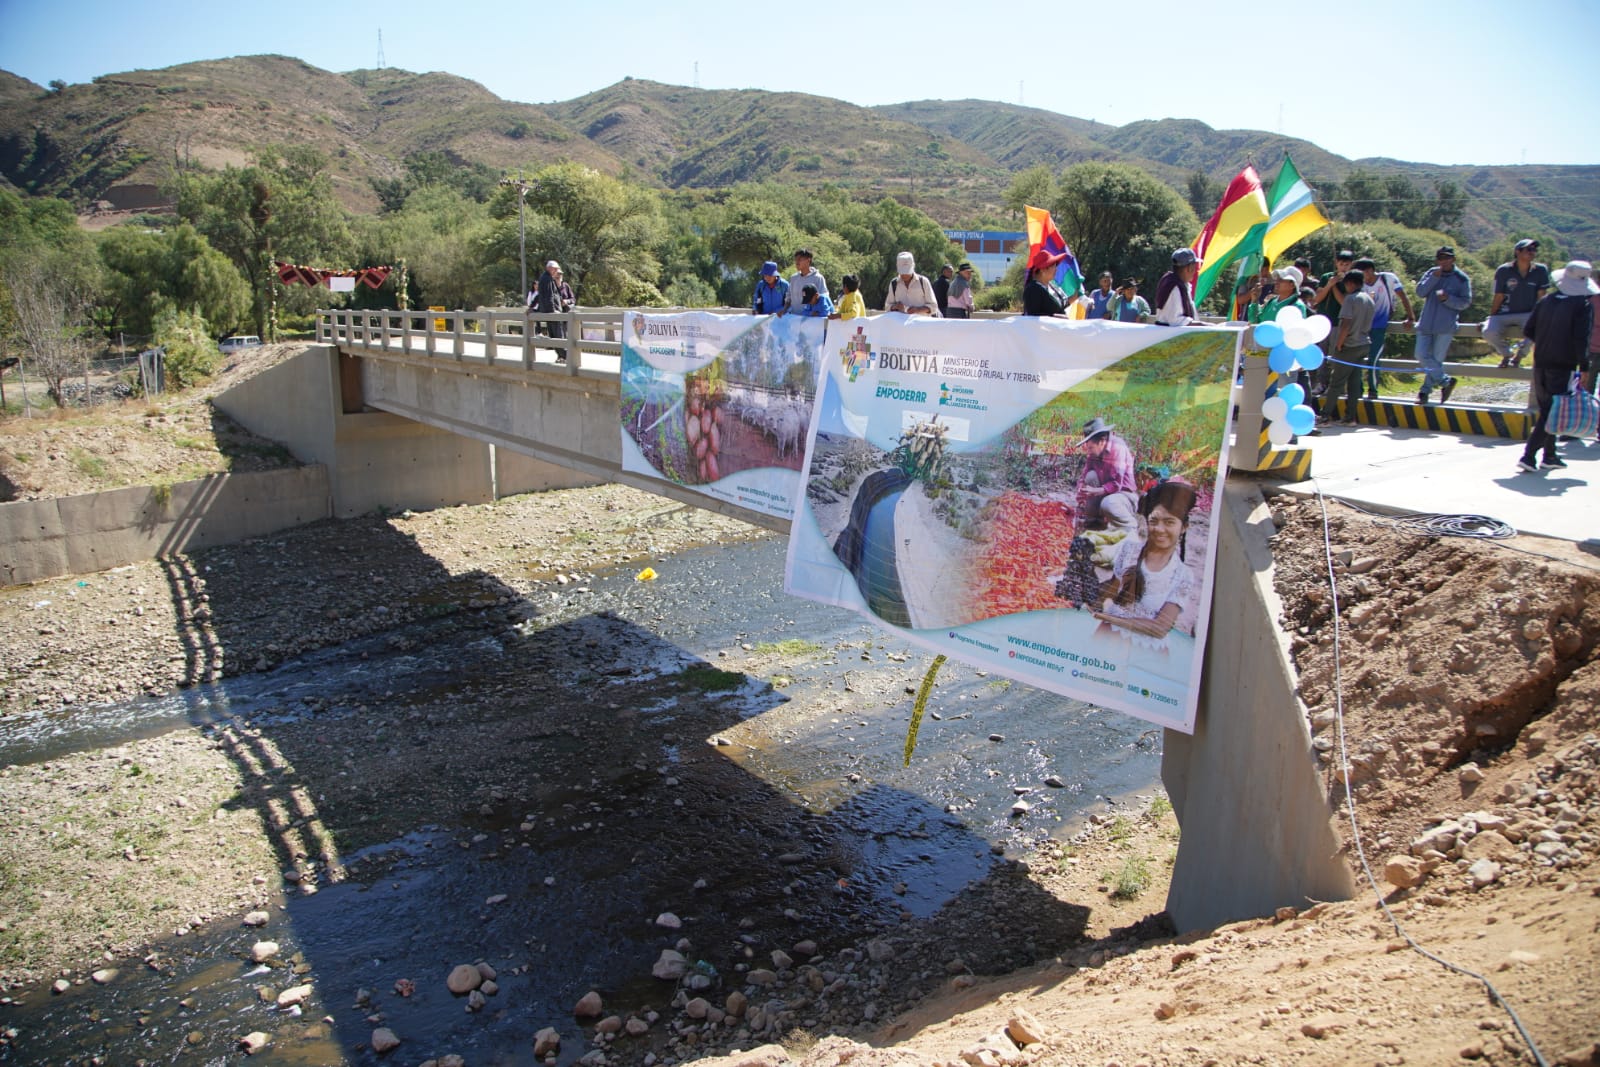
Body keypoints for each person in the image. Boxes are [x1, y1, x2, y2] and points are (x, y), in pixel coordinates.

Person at [1092, 479, 1199, 640]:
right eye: (1153, 521)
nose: (1159, 529)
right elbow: (1113, 591)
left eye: (1169, 522)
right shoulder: (1130, 550)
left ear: (1184, 527)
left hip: (1145, 649)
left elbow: (1159, 628)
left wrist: (1107, 618)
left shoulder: (1183, 575)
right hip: (1107, 636)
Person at [1517, 260, 1596, 473]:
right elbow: (1582, 338)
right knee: (1552, 412)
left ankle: (1549, 455)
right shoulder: (1583, 306)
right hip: (1563, 365)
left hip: (1541, 361)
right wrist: (1585, 366)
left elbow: (1529, 330)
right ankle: (1529, 455)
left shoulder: (1546, 301)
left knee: (1549, 409)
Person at [1413, 246, 1471, 405]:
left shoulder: (1461, 278)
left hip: (1445, 327)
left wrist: (1448, 299)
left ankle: (1424, 392)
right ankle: (1446, 382)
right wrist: (1434, 279)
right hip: (1425, 324)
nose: (1444, 261)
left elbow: (1465, 302)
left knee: (1436, 360)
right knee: (1420, 355)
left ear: (1453, 259)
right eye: (1441, 258)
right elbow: (1420, 292)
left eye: (1447, 258)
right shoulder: (1431, 272)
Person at [1353, 257, 1414, 400]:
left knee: (1374, 359)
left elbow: (1403, 297)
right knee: (1357, 359)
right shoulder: (1359, 284)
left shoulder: (1388, 279)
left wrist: (1410, 317)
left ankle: (1373, 390)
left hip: (1379, 326)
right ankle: (1358, 389)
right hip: (1361, 326)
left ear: (1370, 271)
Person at [1484, 239, 1550, 367]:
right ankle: (1506, 353)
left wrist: (1543, 315)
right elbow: (1498, 296)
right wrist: (1492, 316)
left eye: (1534, 250)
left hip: (1528, 314)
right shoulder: (1503, 270)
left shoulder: (1540, 270)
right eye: (1529, 249)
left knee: (1537, 330)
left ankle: (1519, 356)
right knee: (1488, 332)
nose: (1532, 252)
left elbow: (1542, 296)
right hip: (1504, 313)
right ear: (1517, 252)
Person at [1327, 270, 1376, 425]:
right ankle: (1350, 417)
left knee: (1336, 382)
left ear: (1350, 283)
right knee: (1354, 383)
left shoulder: (1350, 299)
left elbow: (1346, 324)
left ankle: (1325, 415)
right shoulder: (1369, 299)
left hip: (1349, 344)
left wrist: (1339, 343)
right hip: (1364, 343)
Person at [1075, 417, 1138, 535]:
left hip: (1123, 494)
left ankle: (1130, 529)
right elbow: (1084, 475)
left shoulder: (1118, 448)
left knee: (1108, 504)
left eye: (1090, 448)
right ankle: (1096, 523)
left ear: (1102, 442)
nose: (1088, 451)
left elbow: (1117, 484)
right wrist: (1081, 491)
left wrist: (1095, 491)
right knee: (1090, 476)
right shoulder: (1094, 451)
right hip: (1105, 491)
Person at [1154, 248, 1203, 326]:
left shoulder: (1182, 285)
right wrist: (1207, 326)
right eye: (1194, 267)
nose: (1195, 271)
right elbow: (1177, 321)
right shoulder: (1174, 288)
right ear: (1189, 268)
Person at [534, 260, 575, 347]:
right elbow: (545, 296)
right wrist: (532, 306)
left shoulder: (565, 286)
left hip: (565, 313)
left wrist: (566, 301)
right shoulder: (550, 282)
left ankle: (563, 355)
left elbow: (572, 299)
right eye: (557, 274)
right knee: (558, 336)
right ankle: (563, 355)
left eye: (560, 274)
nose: (558, 275)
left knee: (562, 335)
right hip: (556, 313)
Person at [1022, 248, 1075, 317]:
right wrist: (1056, 317)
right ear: (1043, 269)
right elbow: (1033, 317)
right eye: (1053, 266)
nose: (1056, 269)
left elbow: (1061, 306)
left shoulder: (1052, 286)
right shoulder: (1033, 289)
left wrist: (1076, 296)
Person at [784, 248, 828, 316]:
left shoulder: (818, 278)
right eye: (796, 260)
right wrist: (784, 310)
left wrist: (816, 313)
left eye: (799, 259)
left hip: (811, 320)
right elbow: (788, 298)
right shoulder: (793, 278)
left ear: (808, 260)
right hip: (794, 318)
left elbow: (824, 297)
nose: (797, 262)